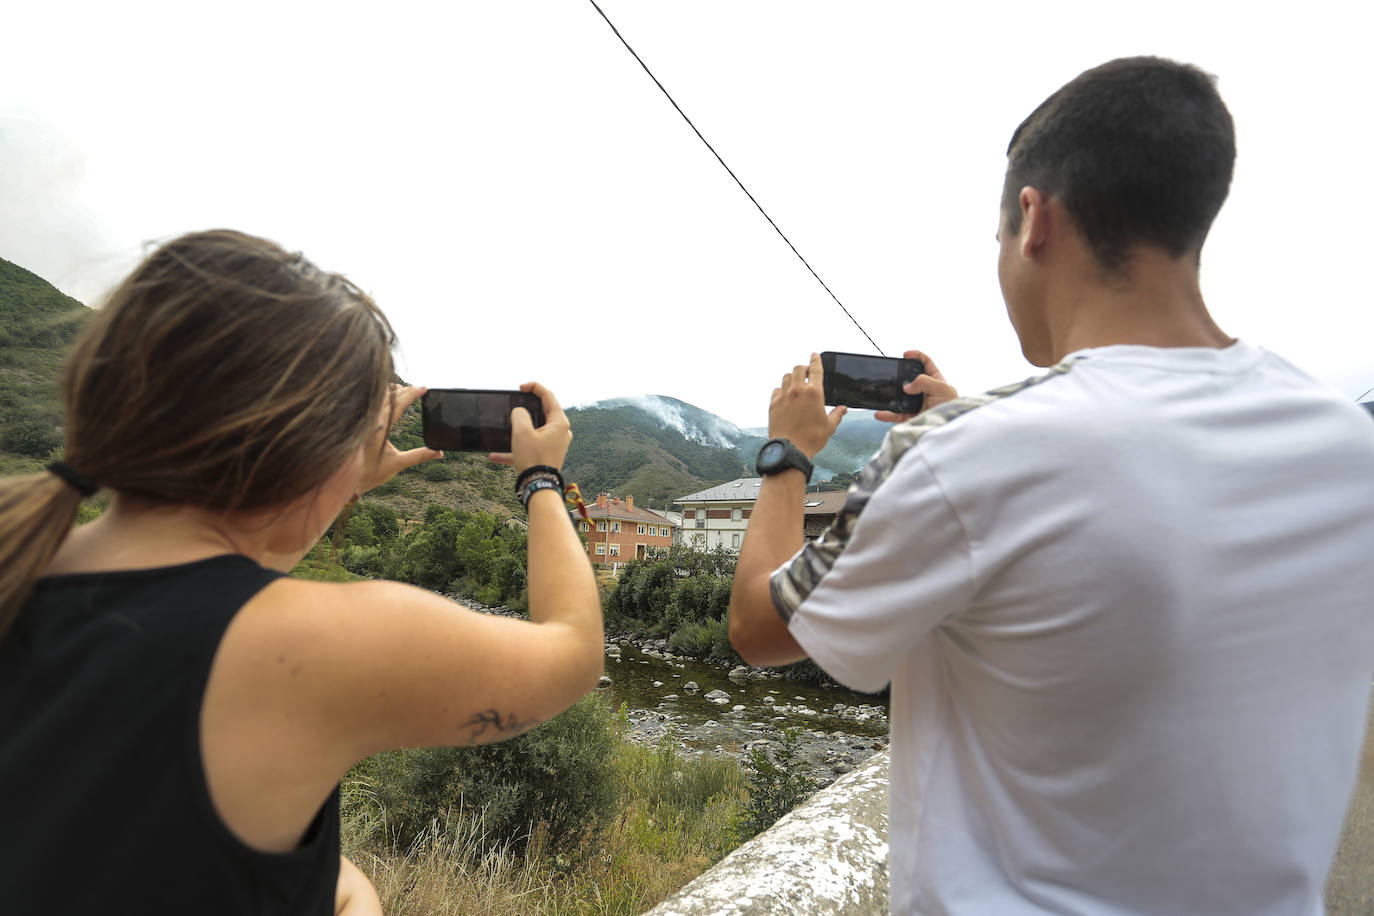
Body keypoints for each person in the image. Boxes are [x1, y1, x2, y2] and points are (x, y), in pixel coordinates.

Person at [729, 57, 1374, 914]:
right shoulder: (1344, 443)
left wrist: (787, 457)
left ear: (1034, 220)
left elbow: (760, 628)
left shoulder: (965, 456)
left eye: (997, 239)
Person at [0, 230, 603, 914]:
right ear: (314, 447)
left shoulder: (22, 560)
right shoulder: (312, 642)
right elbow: (575, 651)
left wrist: (332, 477)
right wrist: (541, 478)